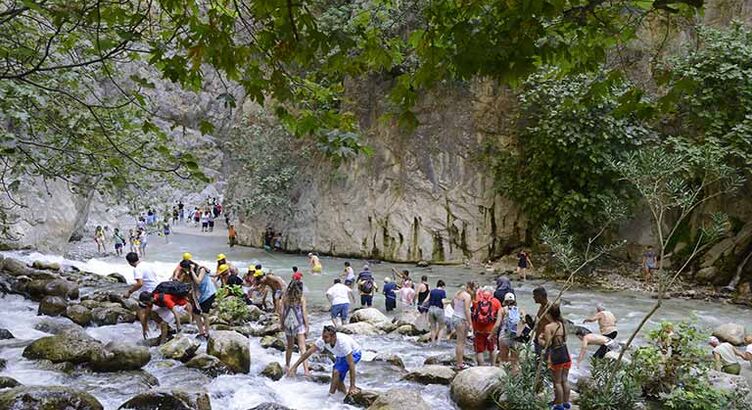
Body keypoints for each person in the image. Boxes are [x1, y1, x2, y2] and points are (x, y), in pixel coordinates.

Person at [287, 325, 361, 397]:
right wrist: (294, 366)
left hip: (355, 353)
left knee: (336, 372)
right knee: (338, 380)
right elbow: (308, 353)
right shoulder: (322, 340)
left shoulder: (342, 343)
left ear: (333, 337)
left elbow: (351, 364)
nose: (323, 339)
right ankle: (343, 398)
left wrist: (352, 386)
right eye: (323, 336)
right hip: (341, 355)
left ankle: (330, 396)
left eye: (326, 337)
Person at [542, 304, 571, 410]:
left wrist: (541, 339)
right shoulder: (563, 324)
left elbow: (548, 344)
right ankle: (566, 403)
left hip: (556, 355)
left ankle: (558, 405)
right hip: (565, 353)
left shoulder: (548, 327)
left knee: (557, 382)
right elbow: (565, 339)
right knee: (565, 380)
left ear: (549, 314)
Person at [179, 259, 215, 339]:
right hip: (201, 295)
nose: (185, 271)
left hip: (209, 293)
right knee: (196, 313)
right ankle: (201, 333)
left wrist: (191, 270)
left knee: (205, 314)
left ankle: (207, 333)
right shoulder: (192, 273)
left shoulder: (201, 269)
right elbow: (194, 284)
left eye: (185, 269)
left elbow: (198, 281)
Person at [282, 279, 310, 375]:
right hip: (299, 324)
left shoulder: (285, 298)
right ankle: (306, 370)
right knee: (302, 348)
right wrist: (307, 326)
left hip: (288, 324)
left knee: (289, 346)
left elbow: (282, 312)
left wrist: (282, 324)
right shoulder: (301, 298)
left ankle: (287, 366)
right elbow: (304, 313)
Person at [471, 286, 502, 365]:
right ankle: (492, 365)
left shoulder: (477, 301)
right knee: (492, 349)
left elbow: (473, 315)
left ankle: (481, 367)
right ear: (492, 293)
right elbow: (499, 318)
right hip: (491, 330)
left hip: (478, 330)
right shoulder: (496, 302)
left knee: (479, 350)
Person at [499, 292, 526, 371]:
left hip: (505, 336)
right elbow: (524, 321)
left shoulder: (502, 310)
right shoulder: (521, 310)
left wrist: (491, 335)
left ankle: (504, 380)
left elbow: (497, 325)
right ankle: (515, 380)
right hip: (516, 338)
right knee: (515, 361)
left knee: (504, 361)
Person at [451, 282, 474, 370]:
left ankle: (459, 362)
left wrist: (457, 311)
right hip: (462, 319)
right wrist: (470, 323)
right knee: (461, 342)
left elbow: (452, 304)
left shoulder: (456, 294)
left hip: (455, 317)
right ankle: (460, 363)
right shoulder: (467, 296)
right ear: (468, 288)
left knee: (459, 342)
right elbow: (467, 310)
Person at [423, 280, 447, 344]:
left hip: (431, 309)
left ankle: (433, 342)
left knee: (433, 327)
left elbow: (426, 300)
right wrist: (450, 302)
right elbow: (443, 302)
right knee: (441, 327)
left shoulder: (432, 291)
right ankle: (438, 342)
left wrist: (422, 305)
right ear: (443, 286)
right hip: (439, 310)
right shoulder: (442, 292)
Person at [533, 286, 552, 356]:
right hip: (538, 340)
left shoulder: (550, 307)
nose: (533, 297)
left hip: (546, 341)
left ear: (540, 296)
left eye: (535, 296)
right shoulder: (541, 307)